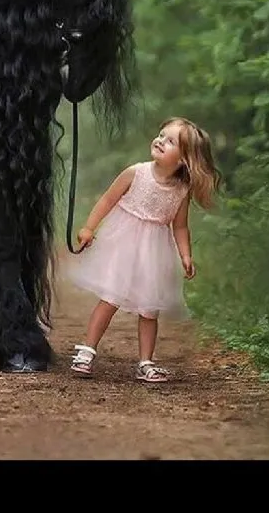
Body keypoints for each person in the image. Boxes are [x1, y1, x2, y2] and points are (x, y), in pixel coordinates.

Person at [67, 117, 221, 383]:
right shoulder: (136, 172)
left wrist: (185, 254)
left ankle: (145, 361)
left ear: (183, 159)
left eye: (170, 141)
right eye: (161, 135)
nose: (160, 141)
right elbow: (107, 200)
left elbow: (180, 227)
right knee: (110, 297)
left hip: (153, 250)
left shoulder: (181, 189)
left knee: (149, 308)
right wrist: (89, 228)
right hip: (122, 243)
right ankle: (87, 350)